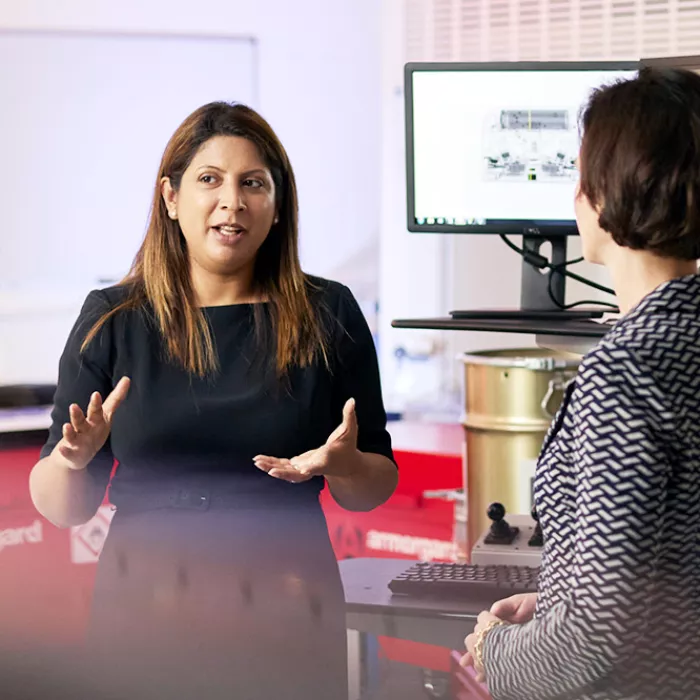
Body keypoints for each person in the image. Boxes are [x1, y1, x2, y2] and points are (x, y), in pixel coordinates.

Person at [28, 101, 398, 699]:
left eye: (254, 183)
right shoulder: (114, 319)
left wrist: (345, 464)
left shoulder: (328, 313)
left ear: (278, 207)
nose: (233, 201)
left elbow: (371, 487)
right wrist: (72, 460)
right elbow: (64, 507)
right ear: (171, 198)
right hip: (146, 603)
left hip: (288, 598)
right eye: (210, 180)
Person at [462, 67, 700, 700]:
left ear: (603, 195)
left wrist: (498, 652)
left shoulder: (625, 370)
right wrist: (555, 603)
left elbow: (596, 635)